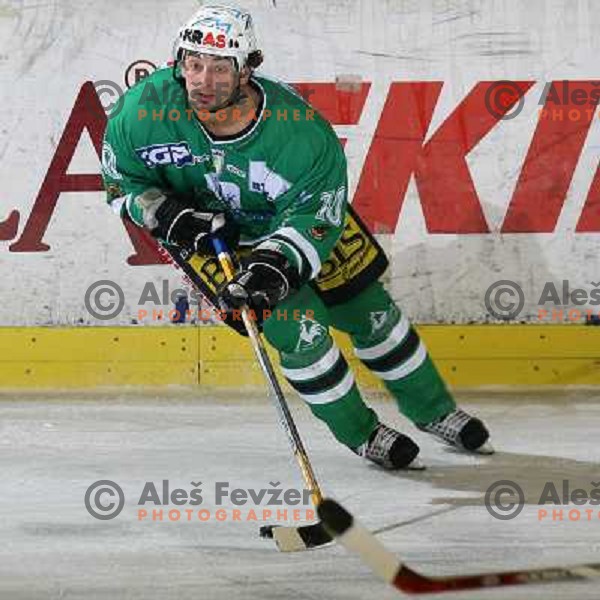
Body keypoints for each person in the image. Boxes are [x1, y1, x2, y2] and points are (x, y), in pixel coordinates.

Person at [101, 3, 493, 470]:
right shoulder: (141, 112)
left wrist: (277, 263)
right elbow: (120, 182)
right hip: (214, 239)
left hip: (297, 229)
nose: (204, 81)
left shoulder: (300, 132)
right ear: (178, 62)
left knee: (371, 316)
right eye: (194, 65)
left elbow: (316, 213)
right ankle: (362, 433)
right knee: (299, 331)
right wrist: (164, 213)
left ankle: (434, 411)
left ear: (248, 68)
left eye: (221, 67)